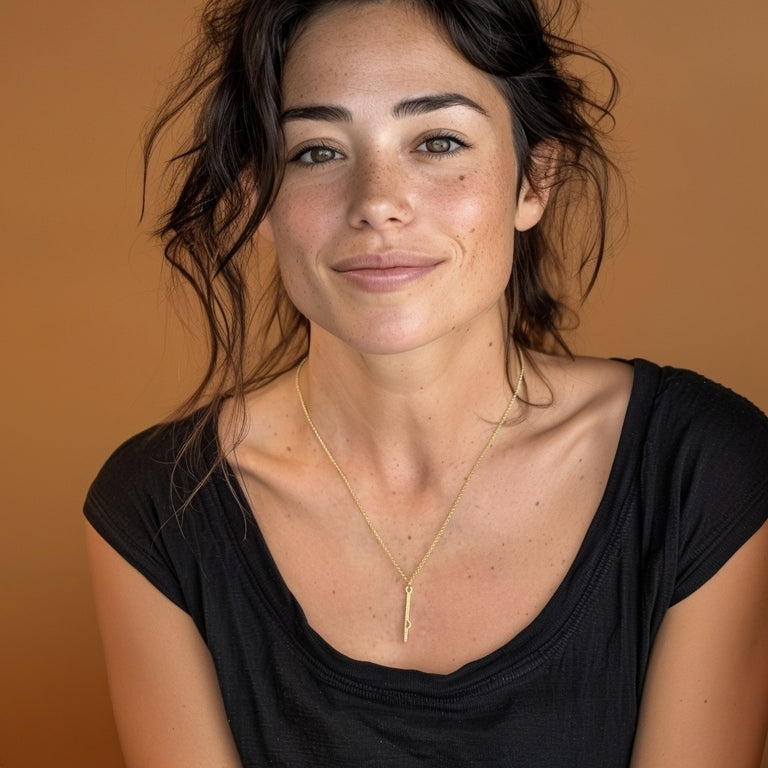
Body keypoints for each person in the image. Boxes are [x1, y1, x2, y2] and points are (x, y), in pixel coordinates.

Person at [84, 0, 768, 765]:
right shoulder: (157, 509)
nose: (377, 202)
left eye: (438, 141)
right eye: (316, 151)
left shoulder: (702, 471)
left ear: (534, 180)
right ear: (258, 197)